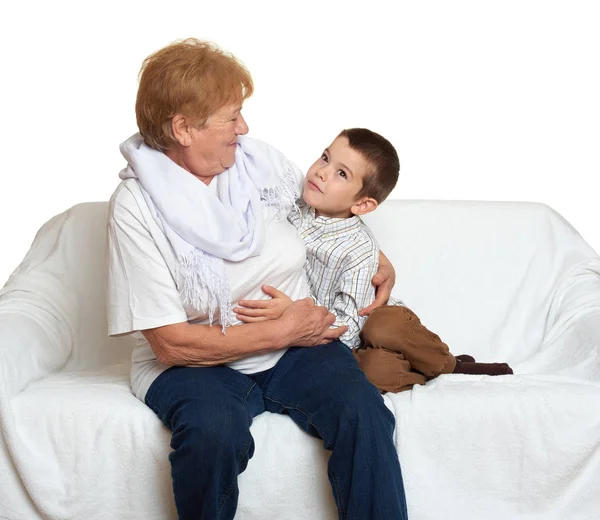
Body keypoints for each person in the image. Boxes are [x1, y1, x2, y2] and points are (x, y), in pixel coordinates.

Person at [106, 39, 408, 520]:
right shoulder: (136, 207)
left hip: (296, 350)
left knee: (365, 414)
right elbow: (169, 343)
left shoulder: (255, 163)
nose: (243, 128)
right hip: (198, 364)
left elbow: (323, 210)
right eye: (231, 117)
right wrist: (283, 330)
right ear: (183, 128)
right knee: (212, 432)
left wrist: (374, 254)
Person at [235, 128, 513, 393]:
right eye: (325, 157)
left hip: (361, 322)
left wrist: (294, 313)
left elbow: (349, 326)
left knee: (385, 328)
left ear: (362, 205)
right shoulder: (293, 206)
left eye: (341, 173)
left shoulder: (358, 249)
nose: (321, 172)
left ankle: (448, 364)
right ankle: (424, 374)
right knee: (371, 373)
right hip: (336, 344)